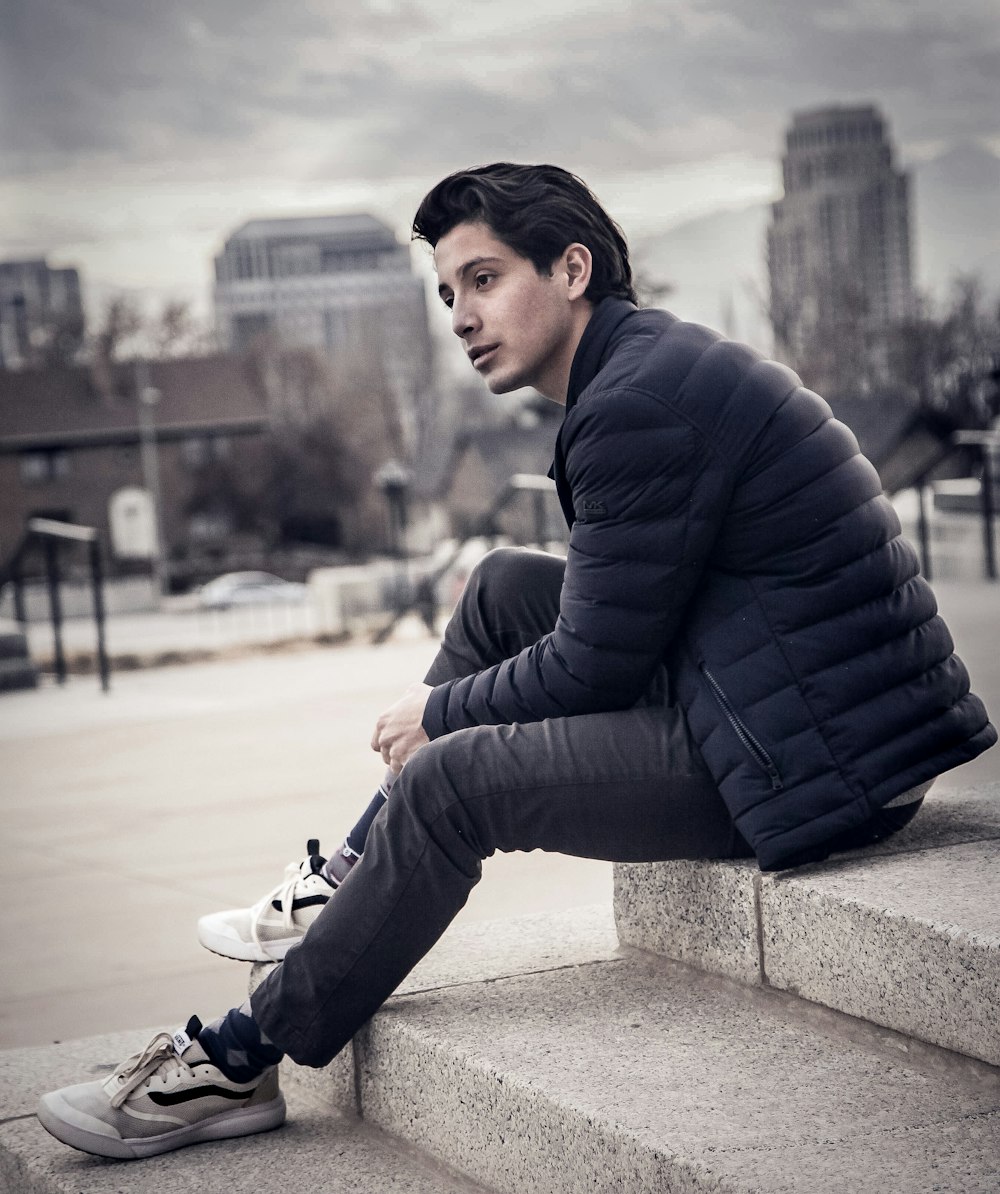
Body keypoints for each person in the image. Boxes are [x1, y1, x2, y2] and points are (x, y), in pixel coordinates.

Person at [38, 163, 996, 1160]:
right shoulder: (643, 368)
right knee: (499, 581)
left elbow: (592, 669)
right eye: (449, 292)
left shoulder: (632, 408)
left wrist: (440, 718)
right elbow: (611, 634)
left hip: (809, 759)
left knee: (454, 779)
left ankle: (238, 1062)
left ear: (572, 268)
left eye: (485, 280)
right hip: (775, 696)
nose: (460, 316)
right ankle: (360, 870)